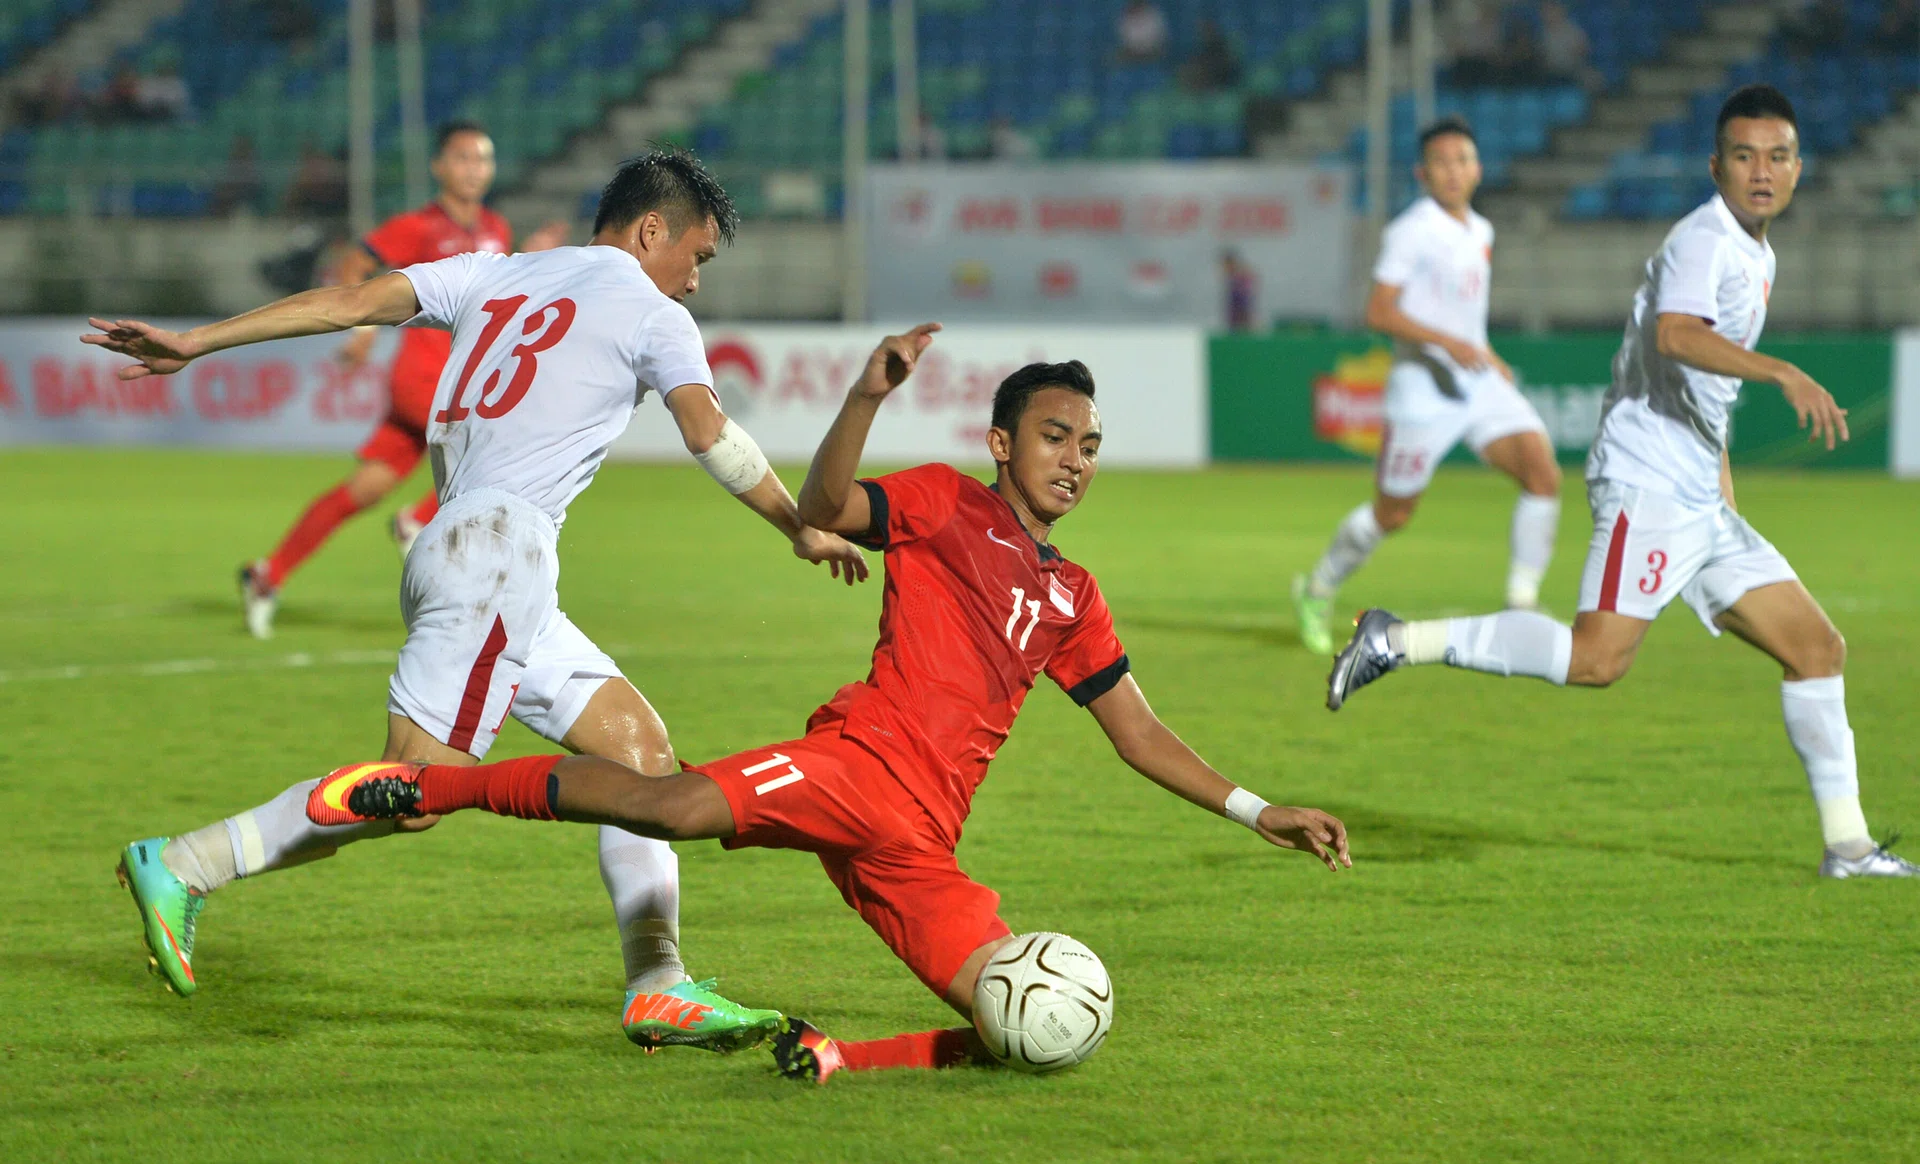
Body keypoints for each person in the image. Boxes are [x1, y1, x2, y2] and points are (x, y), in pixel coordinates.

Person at [304, 333, 1353, 1084]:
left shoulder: (1074, 597)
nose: (1076, 459)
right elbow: (824, 510)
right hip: (858, 765)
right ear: (1002, 443)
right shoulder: (948, 505)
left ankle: (840, 1057)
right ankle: (429, 784)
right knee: (669, 807)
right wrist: (866, 396)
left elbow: (1139, 732)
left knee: (1015, 1027)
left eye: (1089, 444)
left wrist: (1263, 811)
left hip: (921, 840)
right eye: (1055, 436)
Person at [88, 147, 874, 1053]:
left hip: (468, 549)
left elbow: (348, 303)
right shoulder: (652, 312)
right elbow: (710, 433)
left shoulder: (494, 272)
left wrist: (197, 341)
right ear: (651, 230)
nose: (695, 281)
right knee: (411, 792)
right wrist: (796, 525)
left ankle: (659, 985)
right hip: (500, 553)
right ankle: (187, 864)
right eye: (695, 255)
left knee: (641, 757)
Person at [1325, 86, 1913, 880]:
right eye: (1745, 156)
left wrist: (1722, 487)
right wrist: (1783, 372)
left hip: (1698, 493)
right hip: (1648, 485)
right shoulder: (1704, 239)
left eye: (1778, 156)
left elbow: (1707, 390)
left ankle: (1848, 849)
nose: (1762, 171)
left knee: (1816, 648)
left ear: (1799, 168)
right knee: (1597, 659)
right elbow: (1676, 335)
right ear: (1717, 166)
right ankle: (1396, 639)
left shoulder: (1755, 252)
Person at [239, 122, 568, 640]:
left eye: (483, 159)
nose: (473, 168)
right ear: (439, 167)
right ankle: (415, 520)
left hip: (454, 379)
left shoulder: (496, 229)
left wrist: (531, 254)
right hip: (427, 380)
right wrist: (365, 327)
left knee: (361, 490)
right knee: (503, 452)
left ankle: (267, 574)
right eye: (462, 158)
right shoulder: (417, 226)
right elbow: (355, 260)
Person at [1293, 118, 1561, 656]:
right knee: (1393, 514)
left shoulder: (1480, 231)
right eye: (1441, 163)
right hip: (1422, 390)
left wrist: (1483, 352)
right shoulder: (1411, 230)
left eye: (1463, 159)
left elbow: (1462, 315)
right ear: (1423, 173)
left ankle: (1521, 604)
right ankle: (1317, 588)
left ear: (1478, 168)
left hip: (1476, 382)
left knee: (1543, 474)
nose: (1453, 171)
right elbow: (1379, 311)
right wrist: (1448, 345)